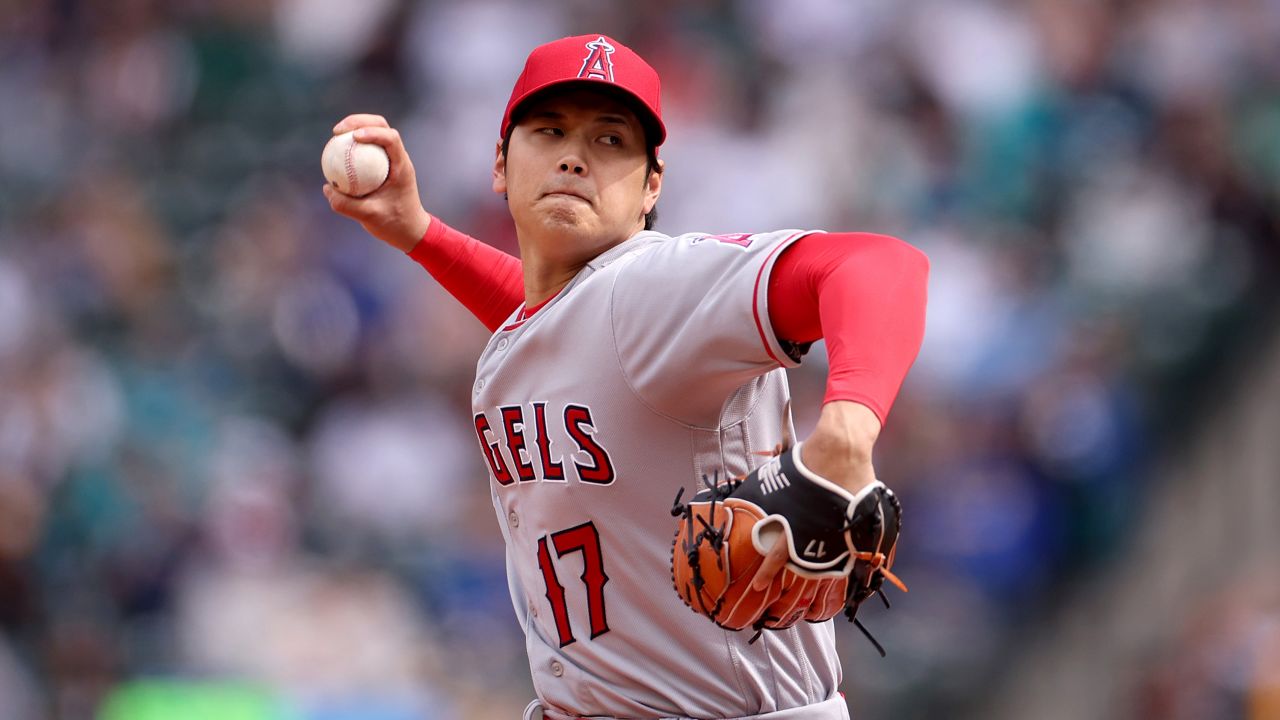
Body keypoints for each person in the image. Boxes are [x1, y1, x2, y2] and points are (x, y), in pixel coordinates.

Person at [324, 33, 928, 720]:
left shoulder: (656, 284)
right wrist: (420, 233)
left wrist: (848, 427)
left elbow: (880, 266)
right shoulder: (568, 319)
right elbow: (555, 321)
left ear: (652, 187)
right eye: (550, 131)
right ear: (500, 163)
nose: (575, 156)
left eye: (610, 141)